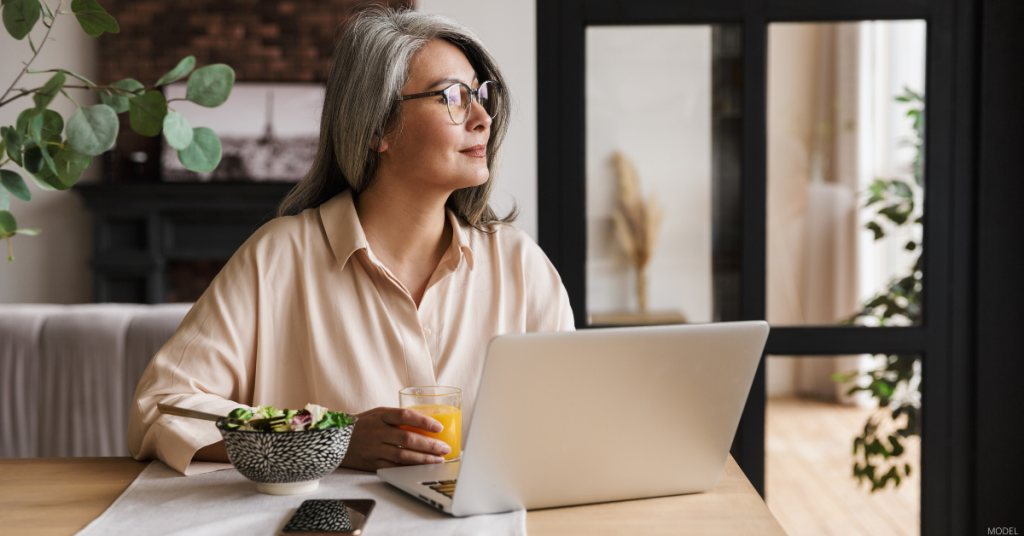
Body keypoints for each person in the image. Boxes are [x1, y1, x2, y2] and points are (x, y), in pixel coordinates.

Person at [127, 6, 574, 475]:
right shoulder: (279, 256)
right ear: (377, 126)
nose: (483, 117)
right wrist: (327, 439)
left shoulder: (519, 263)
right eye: (453, 97)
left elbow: (579, 418)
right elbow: (160, 408)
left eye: (482, 95)